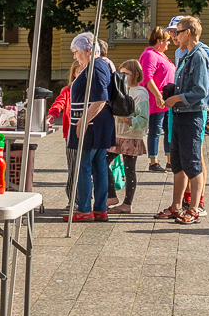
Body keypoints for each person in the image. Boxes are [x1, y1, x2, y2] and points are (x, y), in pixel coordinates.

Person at [157, 15, 209, 225]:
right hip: (180, 114)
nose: (174, 35)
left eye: (177, 32)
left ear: (188, 32)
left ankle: (195, 208)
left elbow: (201, 90)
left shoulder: (199, 55)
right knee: (178, 163)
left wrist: (177, 97)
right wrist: (173, 92)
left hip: (192, 115)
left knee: (193, 163)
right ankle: (176, 206)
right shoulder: (186, 54)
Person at [62, 34, 116, 220]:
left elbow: (101, 98)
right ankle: (100, 209)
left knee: (82, 165)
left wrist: (84, 120)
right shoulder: (99, 65)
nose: (75, 57)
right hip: (95, 123)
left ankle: (85, 209)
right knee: (98, 164)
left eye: (76, 52)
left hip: (92, 124)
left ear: (88, 50)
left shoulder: (96, 66)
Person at [110, 58, 152, 213]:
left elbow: (143, 119)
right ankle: (111, 195)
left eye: (126, 74)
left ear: (136, 75)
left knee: (129, 169)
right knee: (101, 161)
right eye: (120, 74)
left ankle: (127, 203)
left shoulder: (140, 94)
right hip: (116, 135)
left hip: (131, 136)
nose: (122, 77)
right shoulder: (119, 89)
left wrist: (126, 119)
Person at [139, 28, 174, 172]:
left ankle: (170, 160)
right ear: (159, 41)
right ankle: (153, 162)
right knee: (155, 130)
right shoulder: (149, 54)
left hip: (167, 100)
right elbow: (147, 78)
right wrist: (158, 96)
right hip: (157, 100)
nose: (169, 43)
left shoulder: (161, 55)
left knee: (169, 130)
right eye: (167, 41)